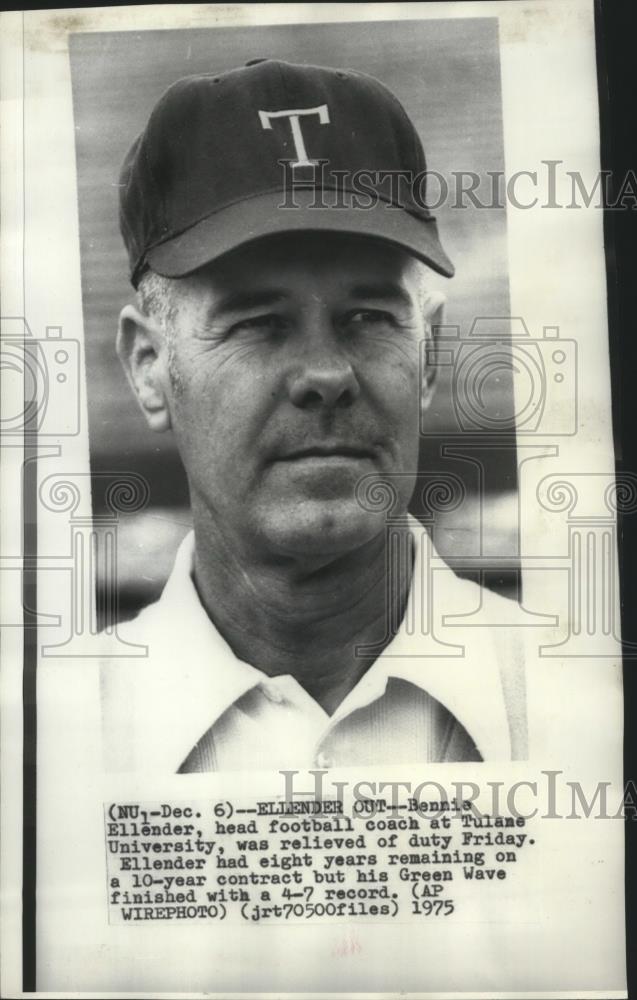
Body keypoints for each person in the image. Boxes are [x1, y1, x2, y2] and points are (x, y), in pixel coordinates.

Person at [102, 58, 527, 772]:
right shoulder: (43, 731)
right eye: (257, 322)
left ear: (427, 355)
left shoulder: (585, 695)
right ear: (149, 367)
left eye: (368, 316)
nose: (326, 374)